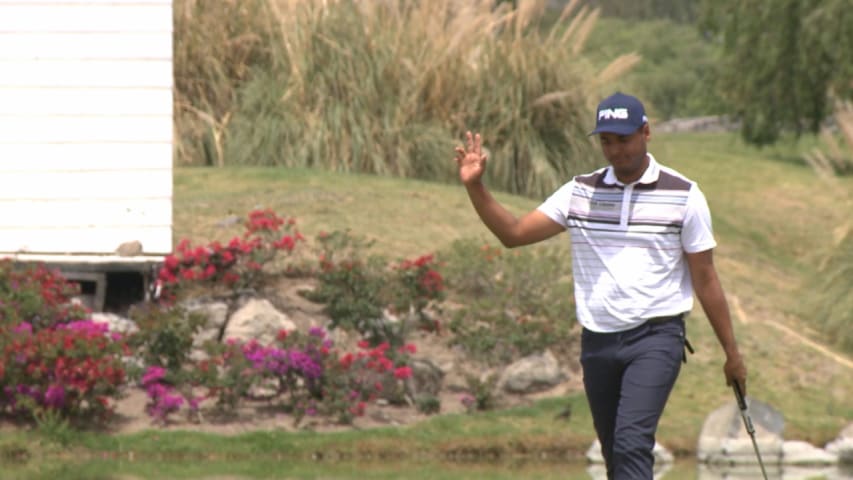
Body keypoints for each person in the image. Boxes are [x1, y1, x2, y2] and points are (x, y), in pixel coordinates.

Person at [453, 92, 748, 479]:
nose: (615, 150)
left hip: (656, 338)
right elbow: (514, 233)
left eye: (624, 139)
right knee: (615, 455)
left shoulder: (684, 195)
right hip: (598, 340)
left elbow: (706, 278)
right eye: (607, 141)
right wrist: (477, 187)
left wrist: (732, 353)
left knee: (630, 443)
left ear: (646, 133)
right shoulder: (580, 192)